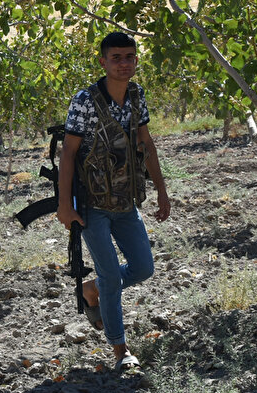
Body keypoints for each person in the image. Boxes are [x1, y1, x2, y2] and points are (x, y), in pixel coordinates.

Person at [57, 31, 171, 371]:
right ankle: (121, 351)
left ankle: (92, 290)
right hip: (91, 204)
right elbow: (69, 153)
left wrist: (162, 191)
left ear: (136, 60)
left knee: (143, 268)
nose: (124, 64)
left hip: (125, 200)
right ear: (103, 62)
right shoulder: (85, 101)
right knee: (111, 275)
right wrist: (66, 204)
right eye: (116, 58)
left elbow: (146, 144)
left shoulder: (136, 96)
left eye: (129, 57)